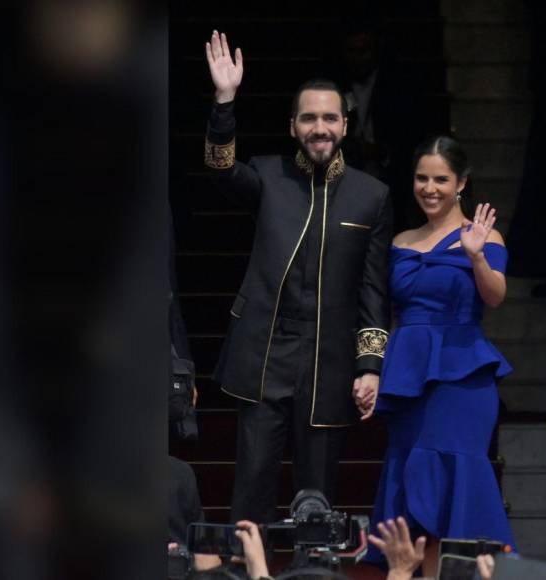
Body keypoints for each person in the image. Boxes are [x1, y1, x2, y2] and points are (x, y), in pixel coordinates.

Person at [202, 31, 392, 525]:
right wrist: (225, 101)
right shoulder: (269, 175)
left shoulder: (371, 196)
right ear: (293, 126)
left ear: (345, 125)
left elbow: (374, 289)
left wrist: (370, 364)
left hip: (328, 360)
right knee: (252, 490)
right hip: (267, 352)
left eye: (330, 118)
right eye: (309, 118)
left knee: (318, 500)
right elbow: (220, 169)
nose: (320, 127)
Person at [363, 136, 516, 577]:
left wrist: (476, 257)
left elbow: (496, 296)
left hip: (461, 375)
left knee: (453, 482)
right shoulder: (400, 240)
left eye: (441, 180)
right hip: (409, 376)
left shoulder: (484, 236)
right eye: (421, 178)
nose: (429, 188)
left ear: (461, 183)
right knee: (411, 482)